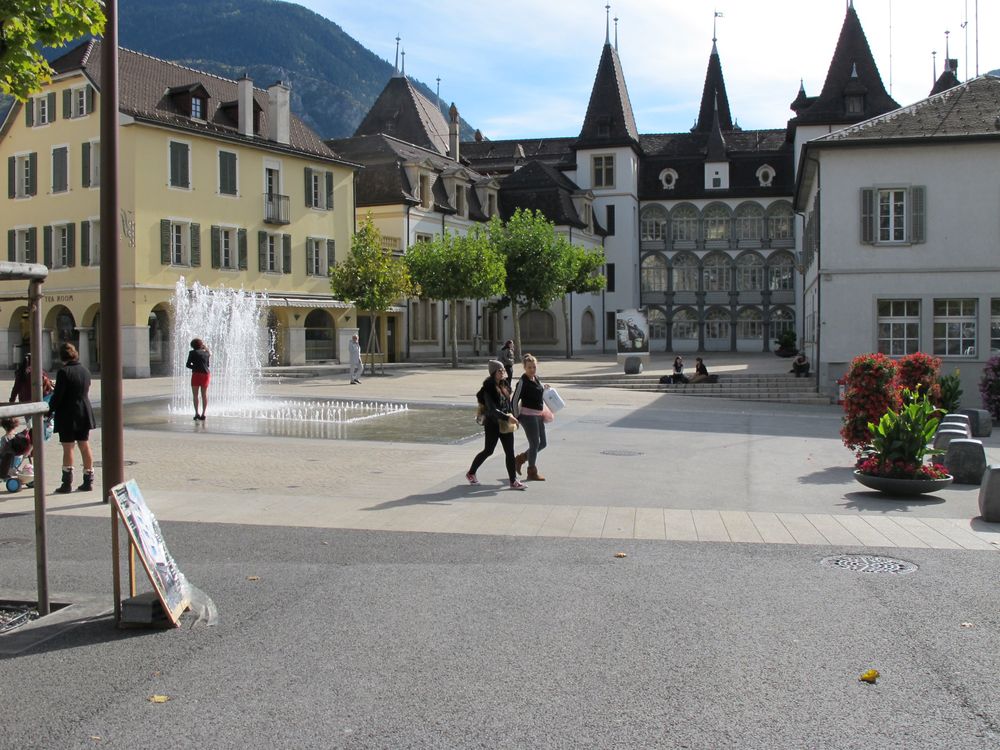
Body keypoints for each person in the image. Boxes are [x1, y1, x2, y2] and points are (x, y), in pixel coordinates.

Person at [466, 360, 525, 490]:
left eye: (503, 369)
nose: (503, 372)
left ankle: (513, 480)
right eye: (500, 370)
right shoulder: (488, 389)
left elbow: (508, 405)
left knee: (510, 452)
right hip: (492, 423)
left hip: (505, 423)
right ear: (493, 372)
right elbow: (492, 410)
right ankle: (471, 473)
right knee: (489, 450)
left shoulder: (505, 386)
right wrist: (507, 418)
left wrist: (513, 416)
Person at [47, 342, 96, 494]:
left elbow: (58, 396)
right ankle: (88, 480)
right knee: (84, 445)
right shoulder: (85, 370)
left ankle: (66, 483)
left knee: (68, 447)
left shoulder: (63, 372)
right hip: (84, 411)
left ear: (62, 357)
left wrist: (49, 410)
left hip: (68, 414)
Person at [511, 353, 549, 481]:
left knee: (543, 443)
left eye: (534, 367)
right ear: (524, 368)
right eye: (529, 367)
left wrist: (544, 389)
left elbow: (537, 394)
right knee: (535, 443)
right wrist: (516, 417)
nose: (532, 370)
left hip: (538, 415)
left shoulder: (536, 378)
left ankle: (520, 459)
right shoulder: (522, 382)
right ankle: (532, 471)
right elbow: (514, 401)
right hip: (527, 416)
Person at [185, 338, 211, 420]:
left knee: (195, 395)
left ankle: (196, 413)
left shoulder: (192, 353)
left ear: (192, 346)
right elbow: (208, 365)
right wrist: (205, 347)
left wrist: (195, 367)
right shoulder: (206, 353)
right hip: (206, 374)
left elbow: (188, 365)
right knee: (204, 395)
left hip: (196, 374)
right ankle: (203, 414)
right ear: (201, 345)